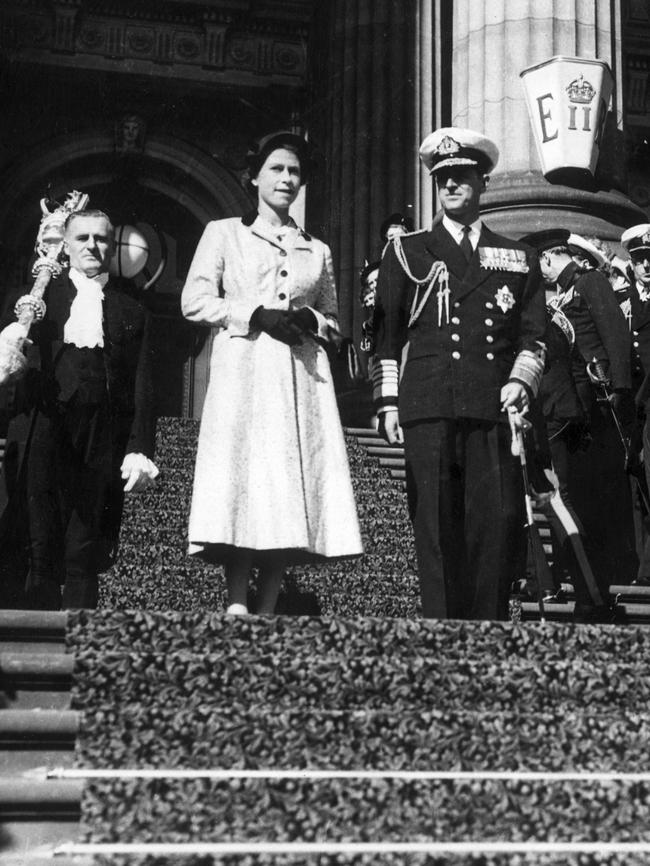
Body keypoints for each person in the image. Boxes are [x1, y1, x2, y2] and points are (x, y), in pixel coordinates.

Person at [181, 130, 363, 616]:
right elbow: (194, 301)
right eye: (277, 169)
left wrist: (313, 321)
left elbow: (335, 321)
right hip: (246, 376)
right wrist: (252, 314)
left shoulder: (316, 250)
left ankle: (267, 602)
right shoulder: (224, 233)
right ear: (255, 176)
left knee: (287, 481)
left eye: (294, 172)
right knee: (246, 475)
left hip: (301, 379)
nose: (286, 179)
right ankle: (236, 599)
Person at [372, 126, 546, 620]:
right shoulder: (407, 252)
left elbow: (535, 335)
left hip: (491, 401)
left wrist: (520, 379)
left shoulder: (517, 257)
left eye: (462, 176)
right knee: (435, 519)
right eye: (442, 177)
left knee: (494, 520)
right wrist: (388, 401)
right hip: (427, 401)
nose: (450, 185)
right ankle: (442, 629)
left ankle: (486, 627)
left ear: (482, 182)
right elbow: (387, 334)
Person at [0, 209, 158, 610]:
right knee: (37, 539)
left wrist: (139, 447)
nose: (93, 245)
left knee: (84, 544)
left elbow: (142, 386)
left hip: (99, 435)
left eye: (101, 238)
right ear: (65, 246)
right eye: (83, 237)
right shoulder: (35, 301)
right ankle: (33, 649)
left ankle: (80, 643)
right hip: (42, 425)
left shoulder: (131, 311)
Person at [524, 228, 637, 605]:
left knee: (604, 489)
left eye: (542, 265)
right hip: (586, 402)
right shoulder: (567, 292)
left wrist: (621, 391)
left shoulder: (589, 282)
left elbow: (616, 337)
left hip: (605, 401)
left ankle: (611, 569)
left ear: (549, 258)